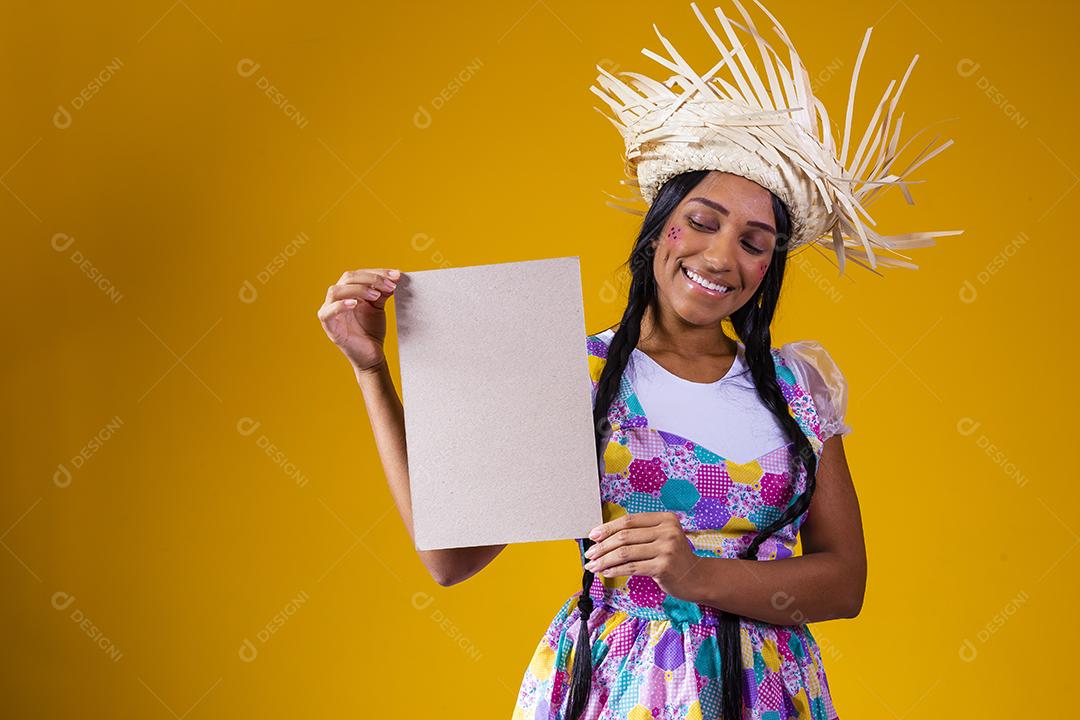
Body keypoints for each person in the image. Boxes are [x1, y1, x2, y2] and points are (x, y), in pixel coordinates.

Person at [316, 2, 959, 717]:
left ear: (769, 265)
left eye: (753, 241)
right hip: (620, 687)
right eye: (703, 222)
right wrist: (371, 371)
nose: (721, 257)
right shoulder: (574, 375)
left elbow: (844, 584)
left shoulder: (796, 386)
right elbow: (449, 560)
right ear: (659, 230)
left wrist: (697, 575)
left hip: (771, 693)